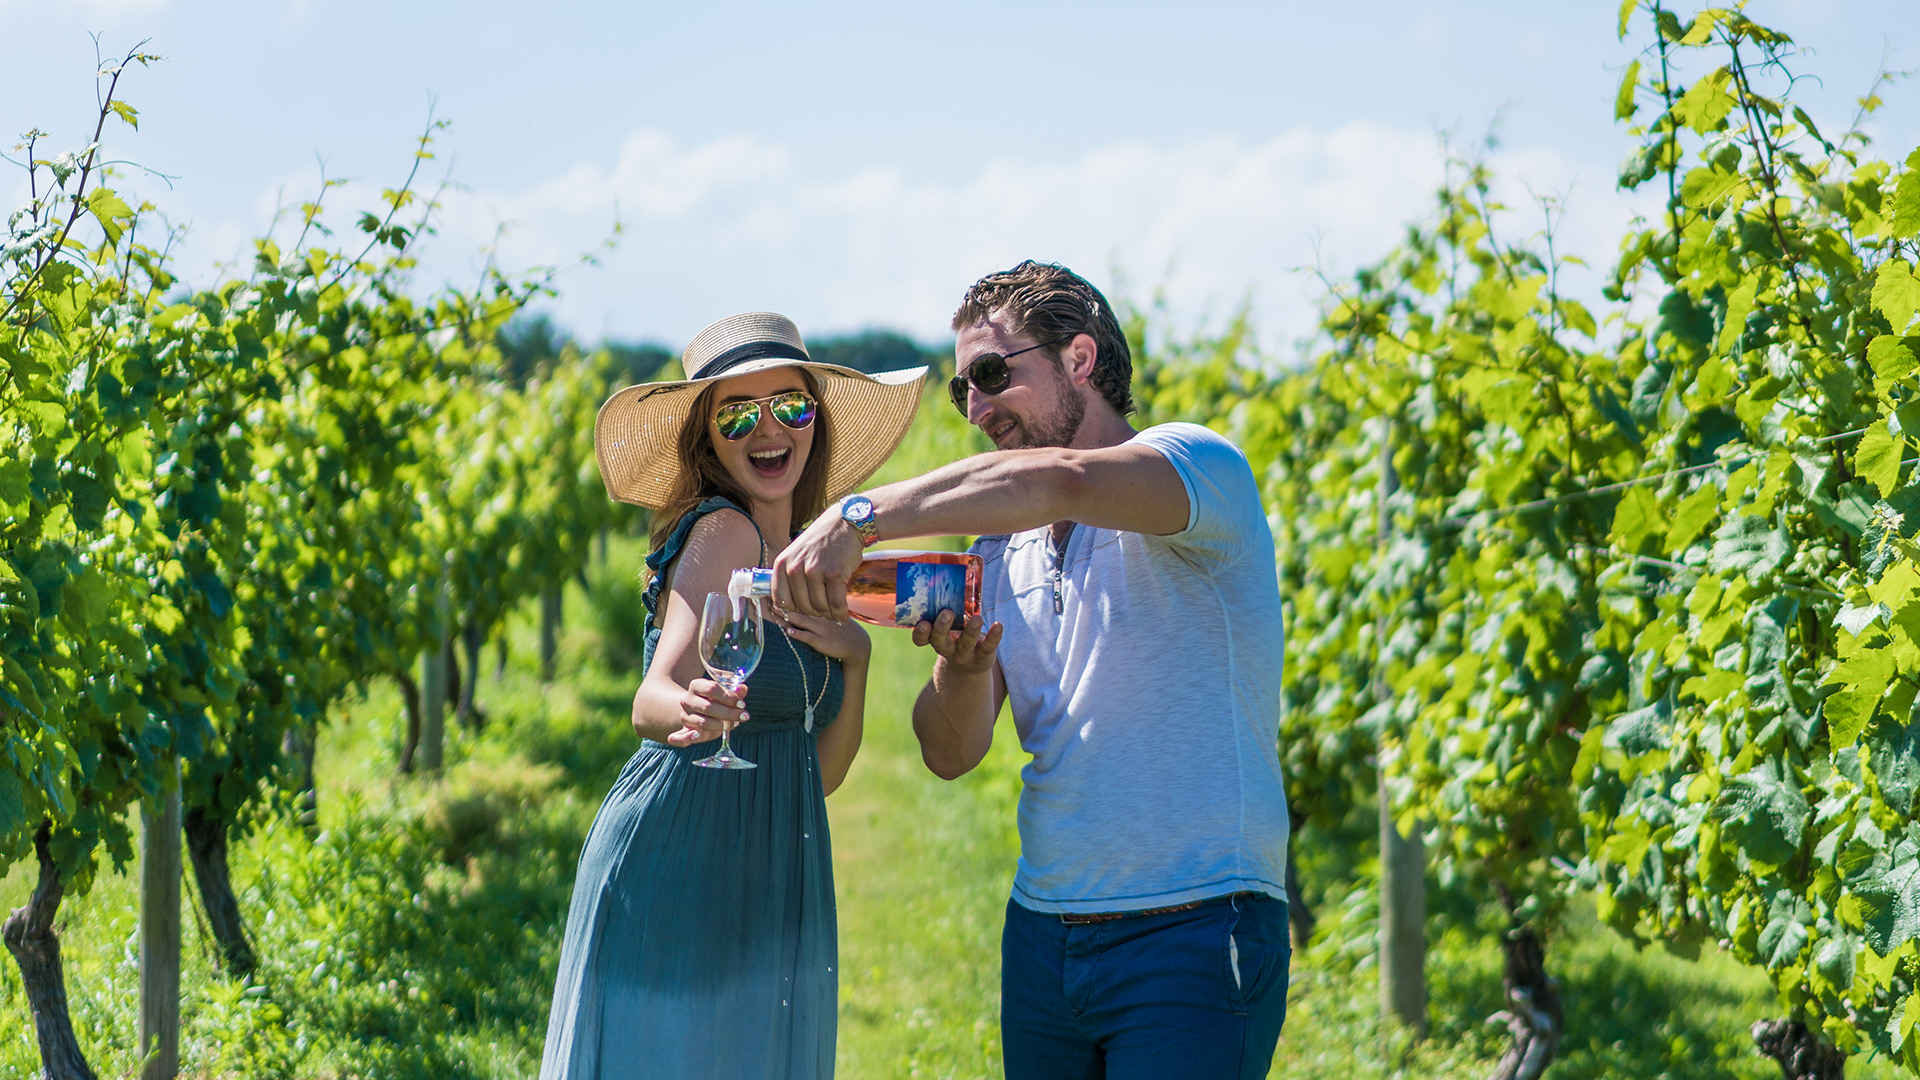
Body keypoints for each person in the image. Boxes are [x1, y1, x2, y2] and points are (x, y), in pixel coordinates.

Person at [775, 261, 1291, 1079]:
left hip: (1194, 929)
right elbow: (949, 754)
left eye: (991, 373)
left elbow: (1061, 481)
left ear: (1079, 359)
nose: (977, 407)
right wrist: (967, 671)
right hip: (1046, 936)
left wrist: (857, 514)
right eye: (961, 391)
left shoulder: (1195, 466)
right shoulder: (999, 547)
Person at [540, 312, 927, 1080]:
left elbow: (822, 772)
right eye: (737, 414)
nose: (767, 429)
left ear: (815, 419)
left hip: (776, 860)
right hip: (685, 857)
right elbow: (651, 698)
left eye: (790, 405)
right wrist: (689, 709)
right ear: (707, 440)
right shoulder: (725, 532)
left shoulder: (807, 560)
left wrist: (856, 663)